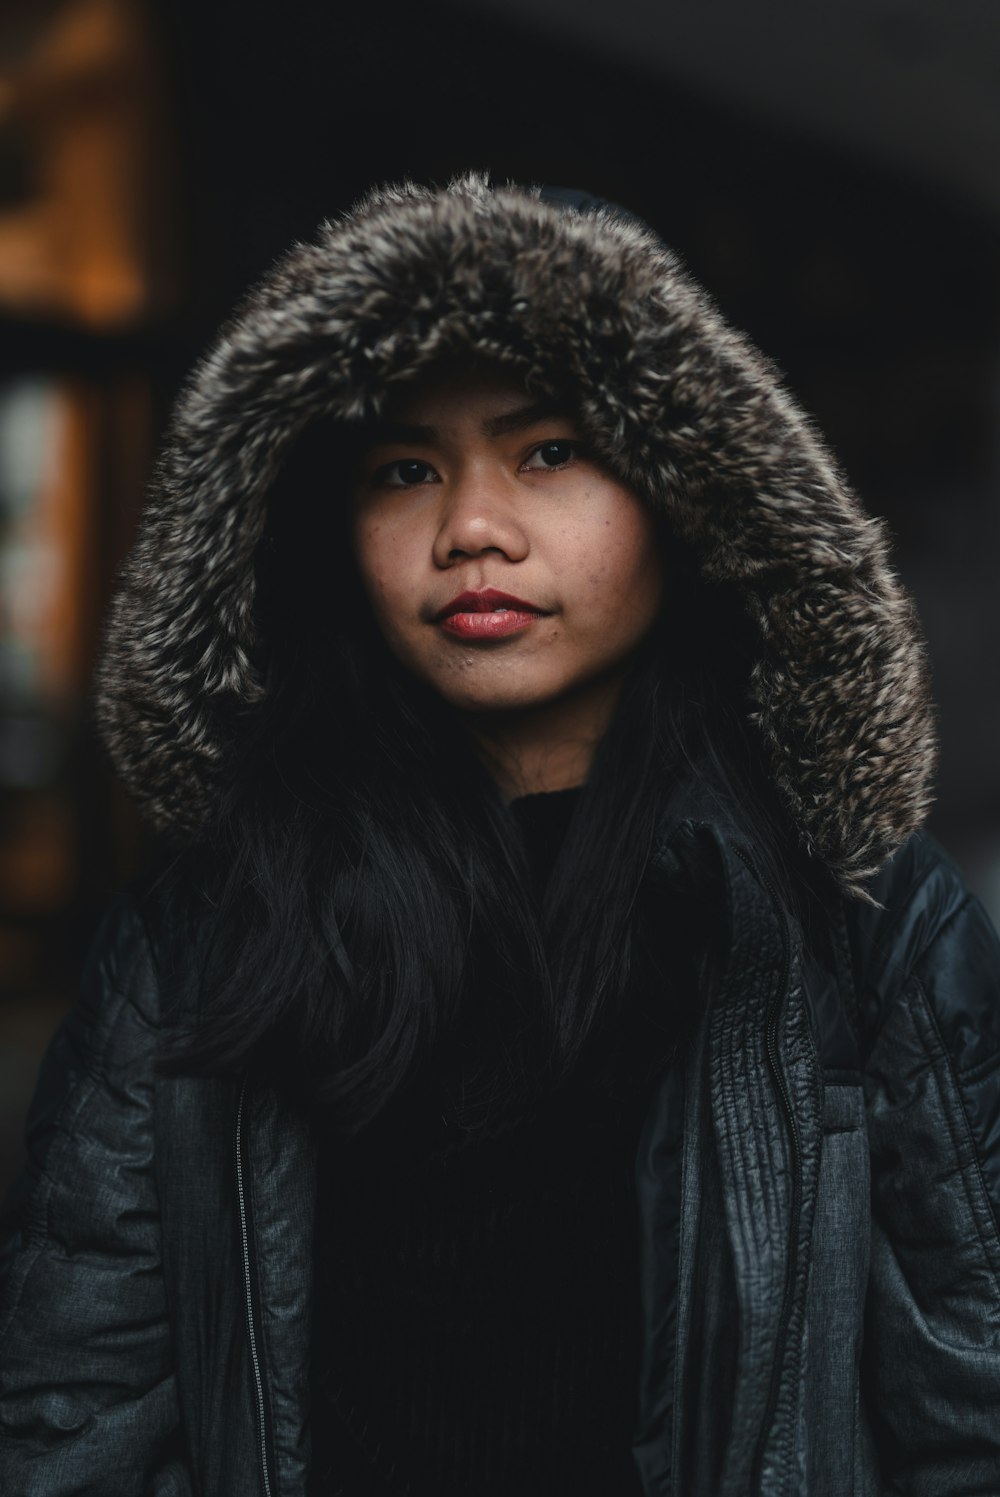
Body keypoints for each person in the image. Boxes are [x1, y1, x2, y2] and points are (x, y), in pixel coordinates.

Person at [1, 171, 999, 1497]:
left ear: (687, 491)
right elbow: (77, 1422)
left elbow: (973, 1409)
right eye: (405, 468)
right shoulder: (197, 934)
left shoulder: (866, 918)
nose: (473, 528)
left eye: (551, 452)